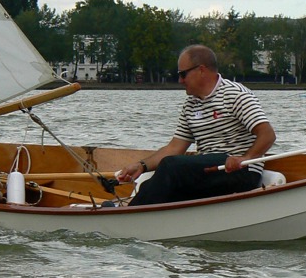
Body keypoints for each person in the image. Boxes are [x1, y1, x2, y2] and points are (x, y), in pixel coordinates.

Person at [117, 45, 276, 206]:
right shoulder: (191, 104)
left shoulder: (236, 95)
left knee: (170, 166)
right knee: (156, 183)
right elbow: (174, 148)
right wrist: (141, 166)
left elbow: (267, 135)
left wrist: (245, 158)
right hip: (209, 171)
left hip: (239, 171)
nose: (180, 81)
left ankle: (126, 214)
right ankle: (131, 211)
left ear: (201, 70)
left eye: (182, 74)